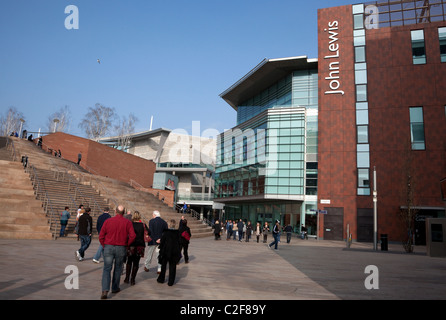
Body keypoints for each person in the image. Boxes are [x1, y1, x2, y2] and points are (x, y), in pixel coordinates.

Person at [99, 205, 136, 299]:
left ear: (115, 211)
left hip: (109, 246)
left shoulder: (108, 221)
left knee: (107, 268)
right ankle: (115, 287)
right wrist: (127, 244)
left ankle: (105, 290)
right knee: (118, 268)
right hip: (121, 247)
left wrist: (104, 245)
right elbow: (132, 236)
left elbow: (101, 235)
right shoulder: (127, 222)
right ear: (124, 212)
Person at [124, 211, 146, 286]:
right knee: (136, 263)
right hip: (140, 245)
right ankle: (133, 279)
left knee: (129, 261)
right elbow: (149, 232)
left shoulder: (130, 224)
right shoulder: (143, 225)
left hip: (131, 245)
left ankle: (127, 278)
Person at [157, 219, 181, 286]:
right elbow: (179, 243)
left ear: (169, 225)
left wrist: (160, 243)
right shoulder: (177, 233)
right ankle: (171, 281)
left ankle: (161, 279)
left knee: (163, 266)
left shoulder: (165, 233)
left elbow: (163, 242)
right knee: (173, 266)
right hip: (174, 251)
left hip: (165, 251)